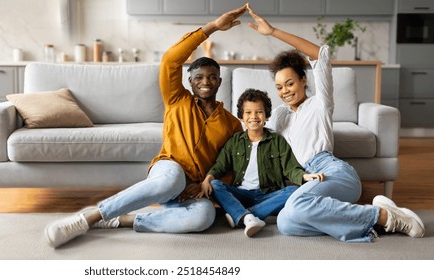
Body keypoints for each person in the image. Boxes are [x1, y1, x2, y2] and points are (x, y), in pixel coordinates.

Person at [44, 5, 247, 248]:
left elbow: (231, 165)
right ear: (190, 82)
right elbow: (171, 59)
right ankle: (89, 217)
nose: (206, 82)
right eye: (199, 78)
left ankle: (123, 220)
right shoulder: (176, 99)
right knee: (170, 181)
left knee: (204, 217)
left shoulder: (232, 124)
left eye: (212, 77)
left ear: (219, 80)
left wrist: (206, 186)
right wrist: (213, 27)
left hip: (194, 187)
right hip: (169, 172)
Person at [244, 4, 425, 242]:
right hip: (306, 180)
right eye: (279, 87)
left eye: (290, 83)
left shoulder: (320, 103)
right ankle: (371, 220)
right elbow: (256, 136)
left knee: (297, 204)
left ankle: (387, 218)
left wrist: (273, 31)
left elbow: (320, 54)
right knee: (286, 223)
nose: (285, 91)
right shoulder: (279, 115)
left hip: (333, 173)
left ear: (302, 80)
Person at [198, 89, 324, 237]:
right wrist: (208, 178)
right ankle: (249, 215)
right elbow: (220, 165)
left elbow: (291, 169)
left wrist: (304, 177)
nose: (254, 117)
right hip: (241, 194)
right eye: (248, 112)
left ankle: (243, 215)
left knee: (293, 191)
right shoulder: (235, 141)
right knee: (215, 185)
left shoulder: (277, 141)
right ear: (241, 116)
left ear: (266, 115)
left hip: (269, 195)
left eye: (259, 112)